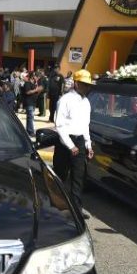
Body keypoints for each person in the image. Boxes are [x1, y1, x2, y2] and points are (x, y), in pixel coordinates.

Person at [54, 69, 95, 218]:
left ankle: (76, 208)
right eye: (84, 84)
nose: (87, 87)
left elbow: (86, 126)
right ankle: (55, 207)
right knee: (60, 176)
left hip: (80, 141)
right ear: (76, 84)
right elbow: (59, 125)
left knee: (78, 177)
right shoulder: (65, 100)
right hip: (66, 142)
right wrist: (70, 145)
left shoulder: (86, 102)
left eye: (88, 85)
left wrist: (88, 145)